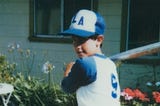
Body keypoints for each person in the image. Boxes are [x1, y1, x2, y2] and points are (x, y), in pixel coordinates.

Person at [59, 9, 120, 106]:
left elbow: (66, 87)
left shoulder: (85, 64)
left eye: (82, 39)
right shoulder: (110, 64)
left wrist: (68, 70)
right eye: (74, 40)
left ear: (99, 40)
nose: (78, 46)